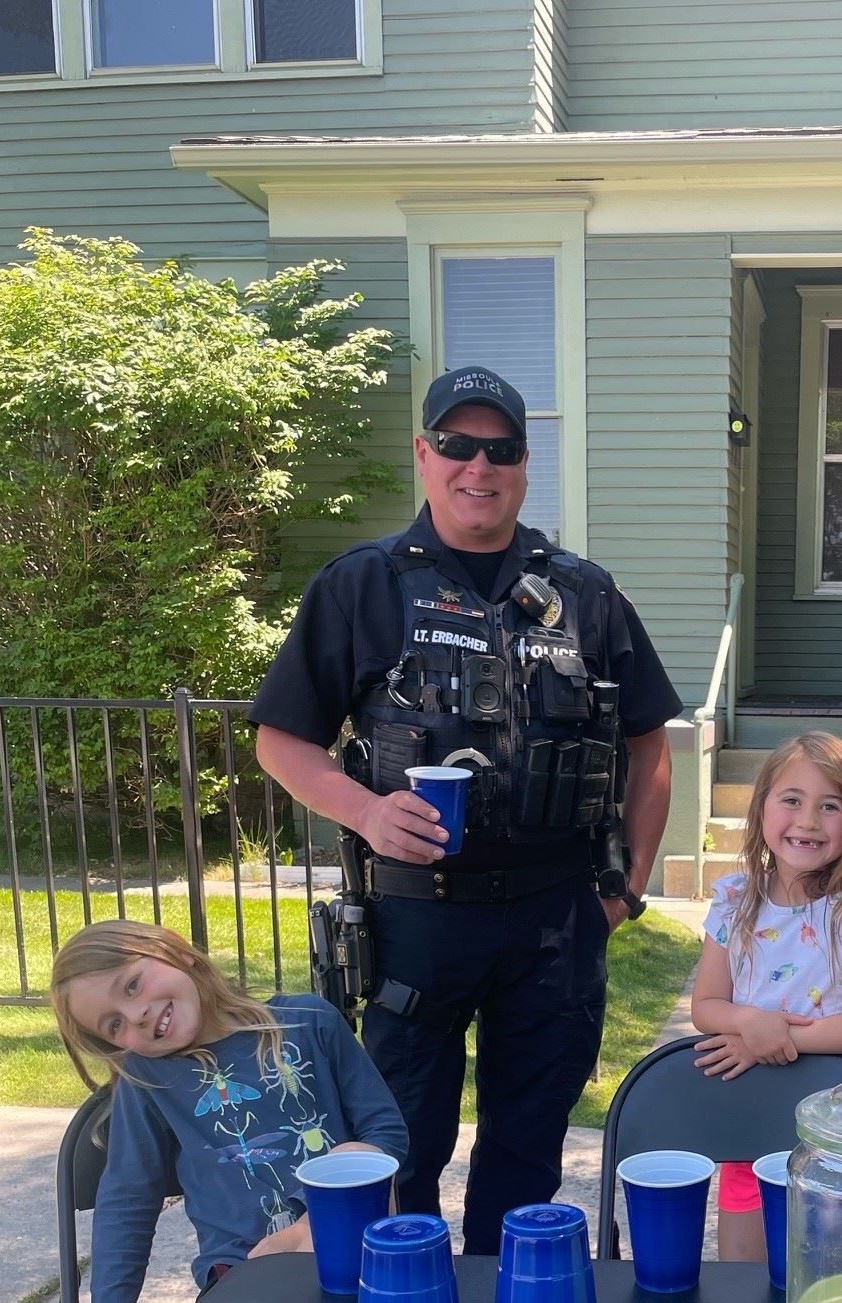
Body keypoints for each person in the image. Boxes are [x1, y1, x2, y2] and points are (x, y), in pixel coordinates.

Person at [250, 365, 681, 1251]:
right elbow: (282, 739)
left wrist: (626, 889)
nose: (477, 466)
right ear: (424, 452)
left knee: (529, 1149)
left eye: (501, 448)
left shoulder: (586, 593)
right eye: (456, 444)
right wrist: (364, 813)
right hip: (418, 916)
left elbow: (647, 745)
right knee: (401, 1145)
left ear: (525, 464)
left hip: (558, 917)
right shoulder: (363, 584)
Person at [51, 919, 408, 1303]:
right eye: (114, 1026)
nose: (138, 1015)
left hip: (365, 1268)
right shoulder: (147, 1080)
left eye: (132, 985)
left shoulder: (310, 1023)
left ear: (177, 952)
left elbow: (386, 1135)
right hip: (241, 1287)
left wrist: (312, 1224)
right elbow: (126, 1201)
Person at [691, 733, 842, 1262]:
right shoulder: (734, 900)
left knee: (832, 1276)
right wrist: (751, 1021)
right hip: (751, 1113)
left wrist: (772, 1038)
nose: (808, 821)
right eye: (792, 800)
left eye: (830, 806)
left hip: (840, 1126)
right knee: (739, 1277)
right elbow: (706, 1006)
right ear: (762, 806)